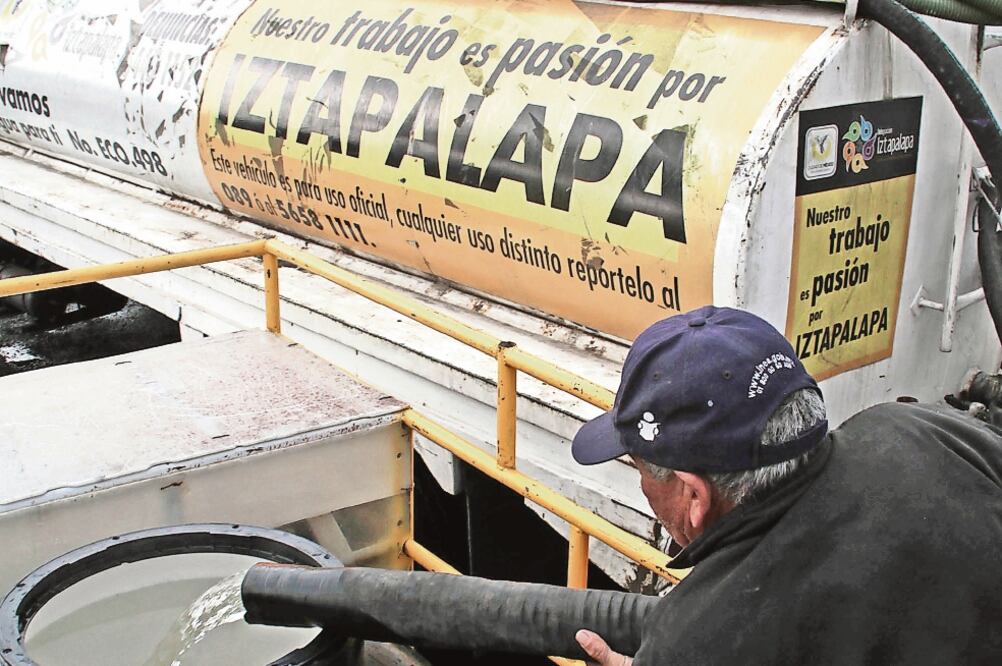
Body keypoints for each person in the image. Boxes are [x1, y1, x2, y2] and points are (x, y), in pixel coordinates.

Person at [570, 305, 1002, 665]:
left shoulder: (698, 639)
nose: (643, 486)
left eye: (640, 469)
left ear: (695, 495)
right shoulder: (915, 427)